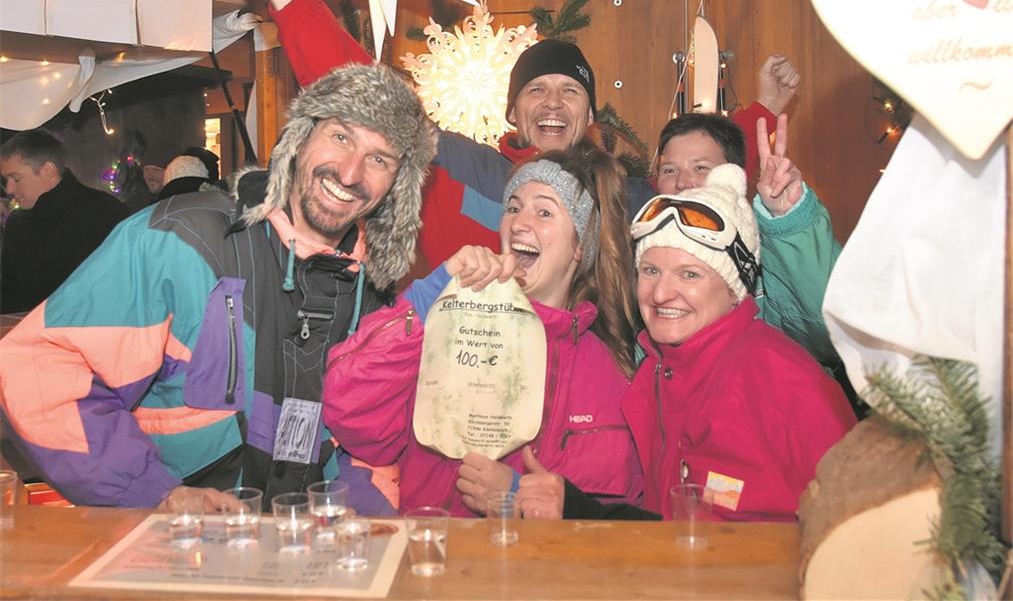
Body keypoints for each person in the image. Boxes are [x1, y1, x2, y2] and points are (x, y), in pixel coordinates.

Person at [239, 0, 793, 273]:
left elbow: (707, 188)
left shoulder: (627, 197)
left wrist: (763, 111)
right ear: (512, 112)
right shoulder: (459, 168)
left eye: (570, 92)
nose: (553, 102)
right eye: (536, 91)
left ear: (590, 114)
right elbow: (364, 97)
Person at [0, 64, 437, 512]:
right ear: (301, 138)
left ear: (397, 185)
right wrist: (155, 493)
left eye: (379, 158)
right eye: (341, 137)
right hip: (179, 550)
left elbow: (374, 440)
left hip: (312, 555)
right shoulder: (182, 241)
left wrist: (369, 521)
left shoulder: (378, 289)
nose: (349, 172)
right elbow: (40, 369)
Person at [515, 164, 856, 521]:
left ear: (734, 289)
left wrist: (579, 511)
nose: (661, 293)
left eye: (689, 274)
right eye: (650, 271)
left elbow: (863, 528)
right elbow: (681, 526)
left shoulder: (780, 380)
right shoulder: (659, 371)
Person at [321, 145, 642, 516]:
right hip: (430, 557)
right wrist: (431, 295)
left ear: (579, 247)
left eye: (544, 212)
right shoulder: (448, 322)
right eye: (513, 207)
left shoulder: (610, 373)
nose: (520, 224)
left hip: (538, 568)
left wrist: (520, 501)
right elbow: (351, 418)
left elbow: (616, 519)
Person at [655, 110, 848, 385]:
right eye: (669, 170)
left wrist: (788, 223)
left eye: (700, 168)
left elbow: (829, 336)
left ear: (734, 177)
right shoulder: (645, 261)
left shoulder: (762, 252)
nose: (683, 183)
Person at [1, 129, 129, 314]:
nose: (9, 188)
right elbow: (9, 294)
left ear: (48, 170)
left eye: (16, 178)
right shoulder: (17, 223)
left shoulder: (105, 212)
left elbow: (127, 285)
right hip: (28, 337)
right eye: (6, 180)